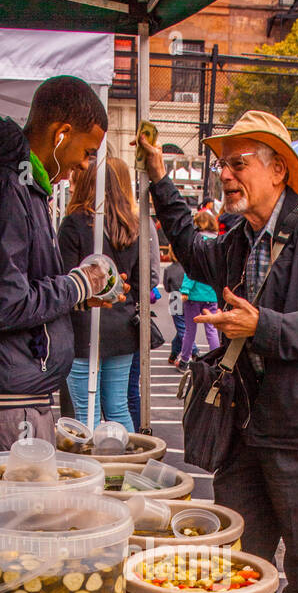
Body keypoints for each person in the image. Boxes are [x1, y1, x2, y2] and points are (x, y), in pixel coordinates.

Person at [136, 110, 298, 593]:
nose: (225, 174)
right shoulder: (239, 238)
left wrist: (263, 326)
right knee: (239, 560)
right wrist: (159, 178)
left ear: (278, 169)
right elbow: (194, 252)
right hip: (244, 433)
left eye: (238, 163)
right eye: (223, 164)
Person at [0, 75, 112, 457]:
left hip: (11, 391)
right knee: (16, 513)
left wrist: (76, 298)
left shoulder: (21, 184)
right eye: (87, 151)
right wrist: (78, 285)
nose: (85, 165)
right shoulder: (4, 187)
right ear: (61, 133)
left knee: (24, 511)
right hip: (2, 400)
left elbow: (14, 285)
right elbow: (1, 303)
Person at [58, 158, 139, 431]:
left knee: (85, 411)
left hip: (84, 327)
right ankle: (126, 468)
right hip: (123, 327)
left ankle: (93, 472)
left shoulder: (74, 224)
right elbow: (141, 283)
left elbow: (64, 282)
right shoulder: (132, 227)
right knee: (118, 407)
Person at [108, 155, 160, 429]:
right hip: (129, 319)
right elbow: (151, 274)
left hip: (120, 321)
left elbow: (151, 274)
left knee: (113, 399)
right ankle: (136, 450)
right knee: (123, 398)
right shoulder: (137, 221)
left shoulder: (137, 222)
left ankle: (135, 445)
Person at [177, 210, 220, 369]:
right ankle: (216, 359)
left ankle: (185, 359)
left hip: (194, 295)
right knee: (212, 330)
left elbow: (191, 269)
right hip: (212, 294)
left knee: (190, 330)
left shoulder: (197, 241)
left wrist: (185, 290)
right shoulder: (219, 241)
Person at [163, 247, 197, 367]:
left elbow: (167, 288)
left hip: (175, 298)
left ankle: (194, 351)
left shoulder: (168, 269)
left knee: (182, 328)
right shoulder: (187, 269)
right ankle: (174, 353)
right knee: (184, 328)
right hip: (189, 298)